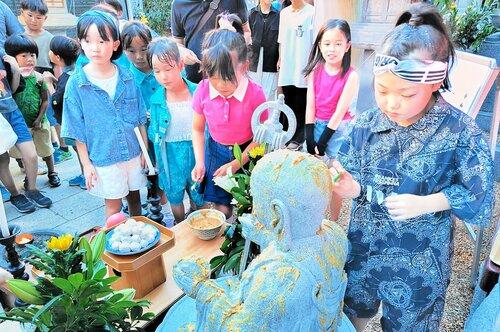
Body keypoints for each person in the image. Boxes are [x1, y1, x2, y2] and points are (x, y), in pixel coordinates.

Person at [329, 3, 494, 331]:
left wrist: (430, 202)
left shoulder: (459, 131)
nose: (391, 103)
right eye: (382, 90)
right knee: (352, 316)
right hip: (365, 247)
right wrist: (350, 185)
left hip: (419, 262)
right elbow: (338, 165)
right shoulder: (368, 123)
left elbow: (481, 193)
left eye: (406, 94)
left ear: (435, 82)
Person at [61, 10, 148, 220]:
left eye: (102, 41)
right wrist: (86, 164)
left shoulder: (126, 77)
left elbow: (139, 117)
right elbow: (76, 128)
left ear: (115, 44)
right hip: (103, 156)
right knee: (113, 205)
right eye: (88, 40)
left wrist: (145, 151)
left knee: (135, 198)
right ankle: (113, 245)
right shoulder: (77, 83)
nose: (95, 48)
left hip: (133, 151)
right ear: (80, 42)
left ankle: (139, 240)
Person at [191, 27, 266, 218]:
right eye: (213, 78)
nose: (220, 85)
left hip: (248, 152)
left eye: (227, 78)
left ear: (244, 66)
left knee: (248, 206)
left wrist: (236, 163)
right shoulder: (203, 89)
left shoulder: (256, 94)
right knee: (220, 207)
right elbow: (198, 129)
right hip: (215, 151)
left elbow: (261, 138)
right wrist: (200, 162)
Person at [303, 19, 358, 221]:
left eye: (337, 43)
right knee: (313, 175)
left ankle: (333, 222)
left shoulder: (351, 76)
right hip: (316, 124)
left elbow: (339, 111)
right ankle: (313, 218)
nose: (332, 49)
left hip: (339, 130)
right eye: (327, 44)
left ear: (347, 45)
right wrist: (310, 137)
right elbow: (310, 105)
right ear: (320, 45)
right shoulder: (314, 71)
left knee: (336, 177)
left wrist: (324, 140)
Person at [147, 37, 205, 224]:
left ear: (180, 66)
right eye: (157, 71)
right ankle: (180, 223)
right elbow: (153, 134)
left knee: (197, 190)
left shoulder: (197, 92)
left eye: (168, 69)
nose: (163, 76)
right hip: (169, 153)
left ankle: (198, 221)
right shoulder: (156, 99)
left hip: (195, 150)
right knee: (174, 192)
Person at [5, 34, 61, 189]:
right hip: (20, 125)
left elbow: (45, 100)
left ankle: (52, 172)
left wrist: (40, 118)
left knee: (46, 149)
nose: (30, 59)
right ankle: (30, 176)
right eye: (24, 55)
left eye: (33, 55)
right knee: (22, 153)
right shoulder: (10, 80)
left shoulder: (39, 78)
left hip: (40, 123)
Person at [171, 0, 250, 83]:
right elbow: (177, 43)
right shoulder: (178, 4)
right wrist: (182, 52)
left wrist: (233, 36)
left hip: (228, 78)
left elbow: (247, 33)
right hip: (195, 79)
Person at [0, 51, 39, 213]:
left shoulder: (1, 53)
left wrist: (15, 70)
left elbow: (13, 90)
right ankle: (15, 195)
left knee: (31, 155)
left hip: (12, 111)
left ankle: (31, 188)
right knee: (2, 160)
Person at [47, 35, 85, 189]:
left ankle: (86, 176)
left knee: (79, 150)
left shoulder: (64, 77)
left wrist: (49, 83)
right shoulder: (78, 71)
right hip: (82, 120)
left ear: (57, 57)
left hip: (73, 122)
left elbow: (56, 99)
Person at [277, 0, 315, 150]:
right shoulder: (284, 13)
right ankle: (288, 133)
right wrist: (280, 58)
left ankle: (299, 137)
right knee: (287, 100)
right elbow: (281, 40)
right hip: (288, 64)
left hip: (303, 64)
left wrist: (312, 66)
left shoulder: (311, 12)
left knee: (301, 101)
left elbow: (314, 42)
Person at [248, 0, 280, 101]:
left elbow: (281, 40)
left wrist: (280, 58)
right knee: (252, 93)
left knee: (269, 94)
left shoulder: (278, 16)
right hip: (253, 60)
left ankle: (268, 117)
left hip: (271, 60)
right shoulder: (251, 14)